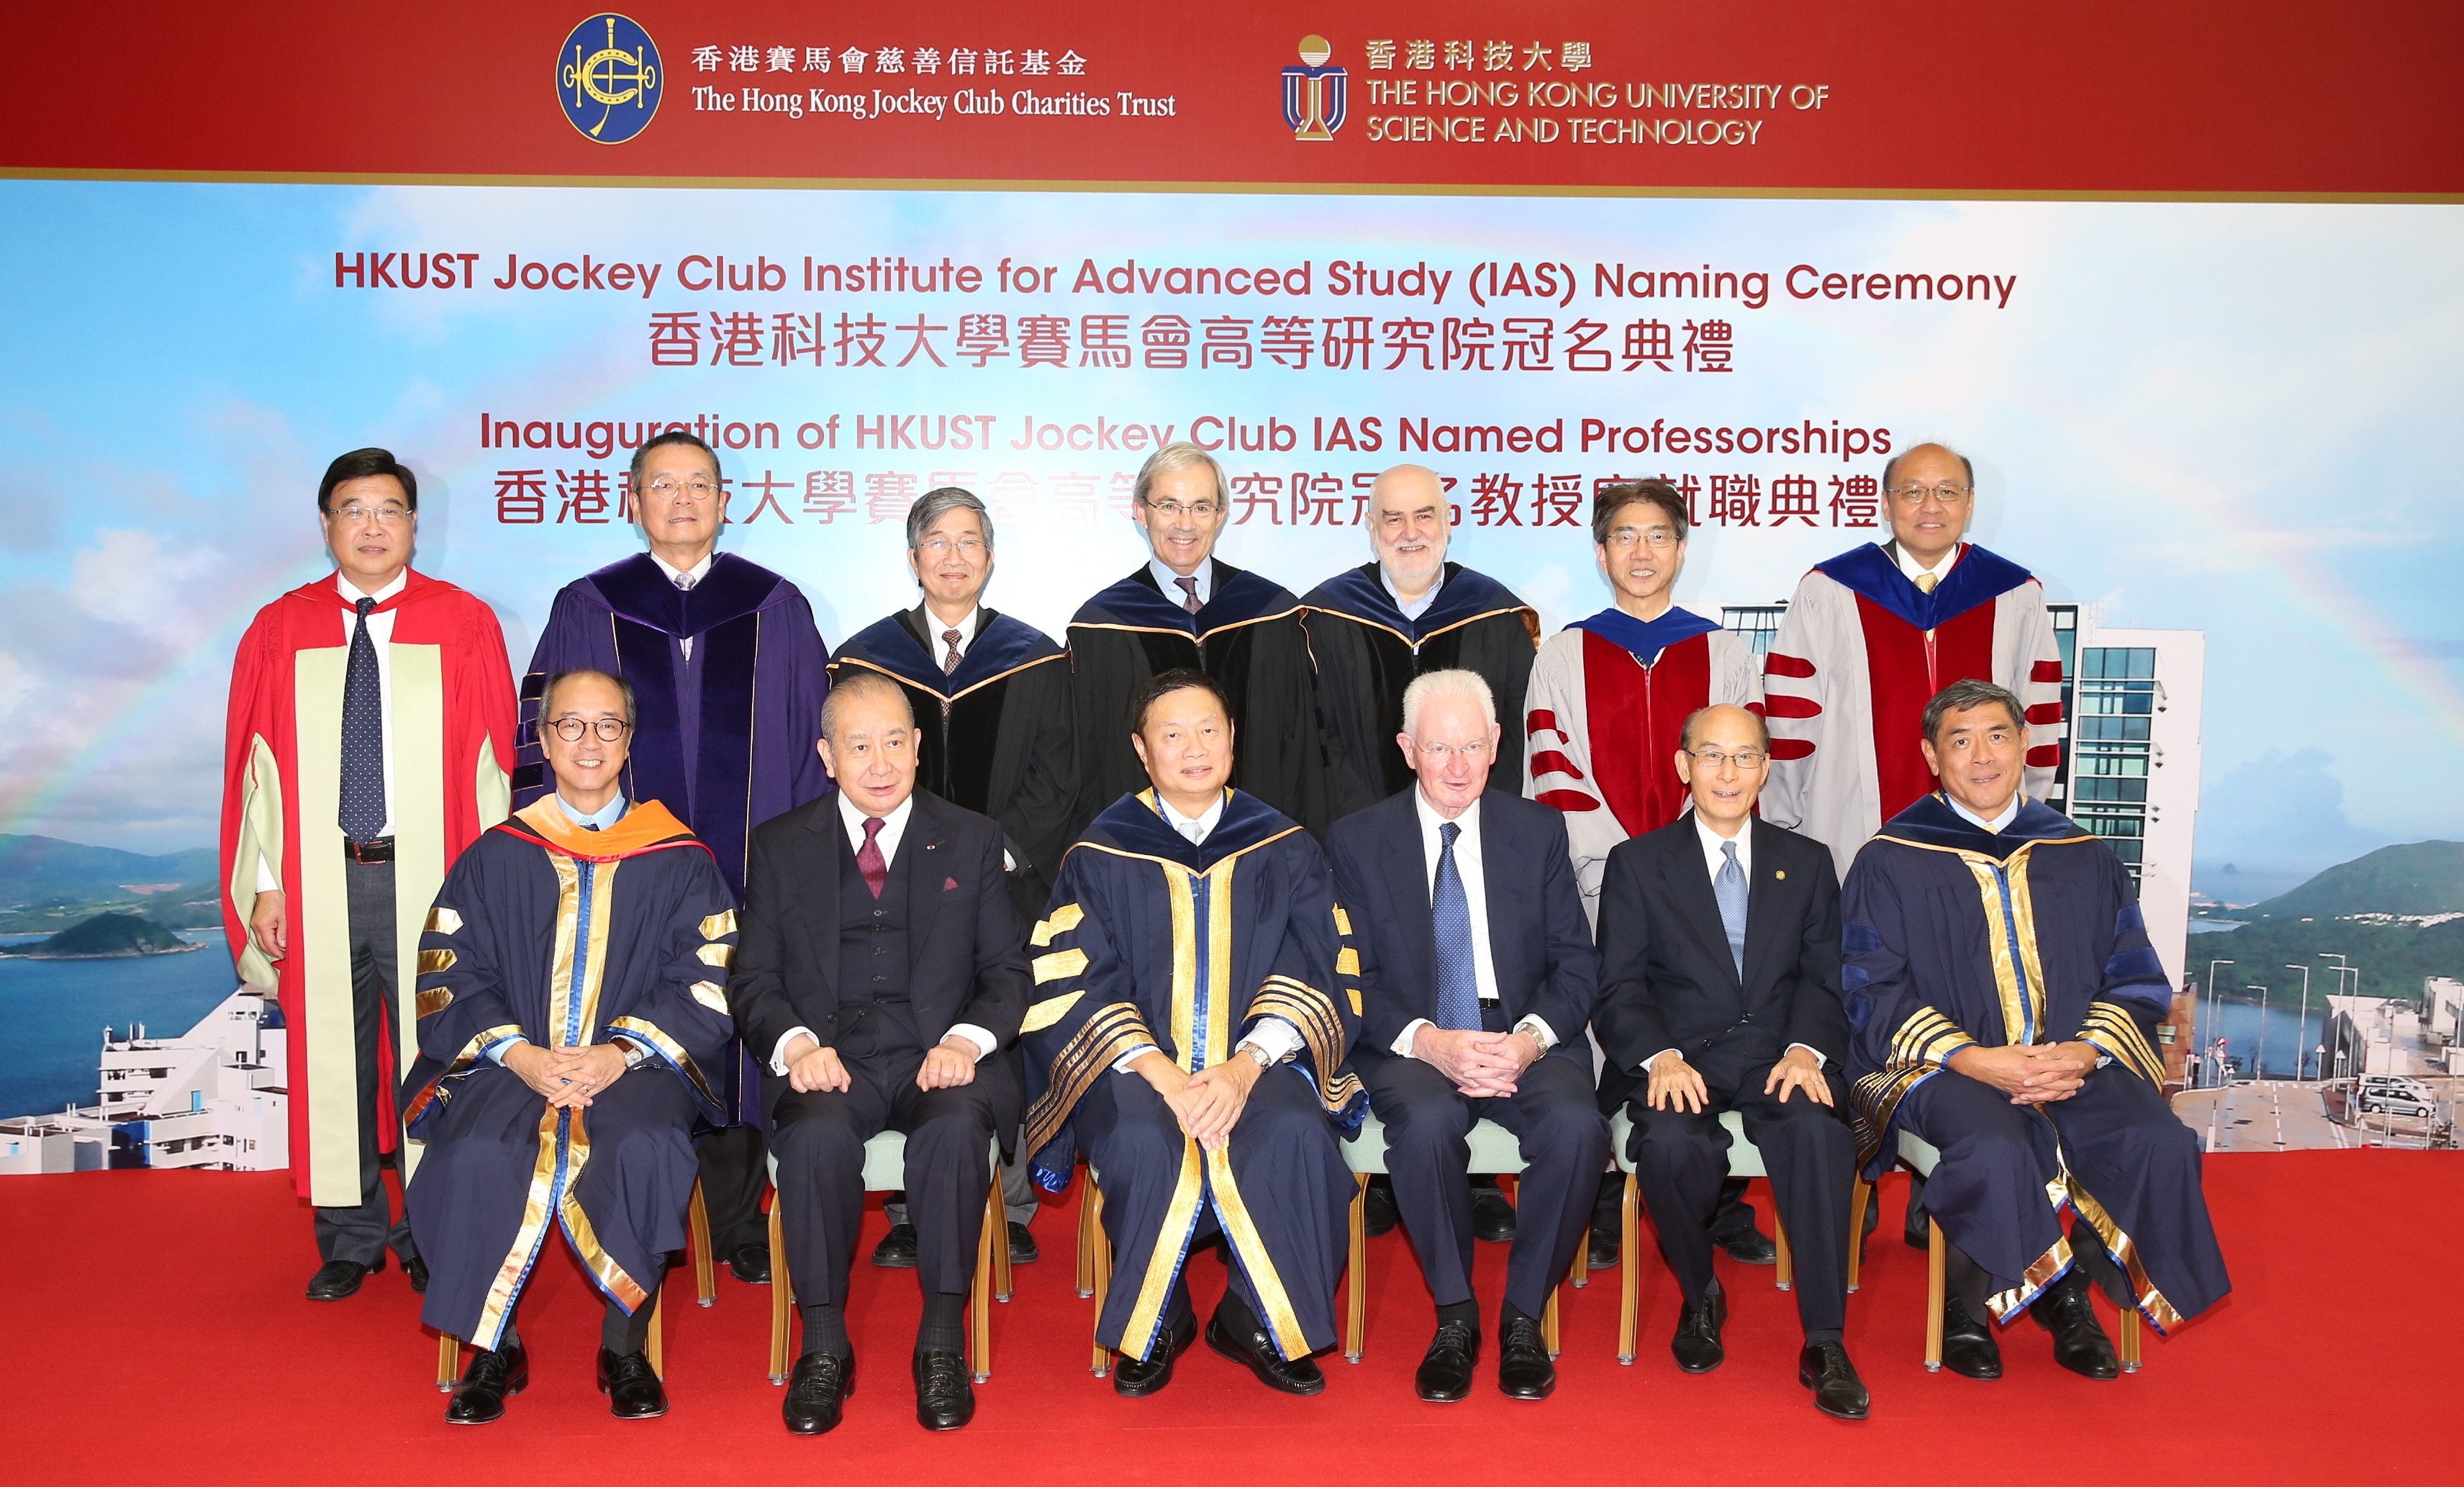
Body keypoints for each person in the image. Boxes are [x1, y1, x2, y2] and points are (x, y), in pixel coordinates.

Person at [1841, 679, 2229, 1383]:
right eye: (1959, 740)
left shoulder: (2082, 854)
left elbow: (2134, 975)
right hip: (1945, 1066)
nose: (1980, 754)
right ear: (1933, 755)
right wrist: (1977, 1060)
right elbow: (1870, 986)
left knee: (2155, 1139)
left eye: (1996, 735)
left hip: (2074, 1061)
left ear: (2025, 744)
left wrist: (2080, 1053)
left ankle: (2068, 1293)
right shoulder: (1890, 857)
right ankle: (1985, 1305)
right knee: (1994, 1140)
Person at [517, 430, 831, 1284]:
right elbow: (546, 741)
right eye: (664, 485)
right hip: (615, 876)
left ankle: (734, 1217)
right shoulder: (587, 606)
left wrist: (806, 865)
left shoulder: (776, 605)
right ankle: (630, 1207)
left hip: (752, 866)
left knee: (741, 1011)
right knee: (634, 1010)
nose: (683, 500)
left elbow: (815, 749)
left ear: (727, 502)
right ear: (632, 501)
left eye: (700, 485)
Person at [219, 447, 517, 1303]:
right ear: (326, 525)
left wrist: (485, 888)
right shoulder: (281, 626)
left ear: (415, 524)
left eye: (390, 508)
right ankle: (350, 1235)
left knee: (432, 1053)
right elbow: (258, 772)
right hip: (319, 876)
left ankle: (429, 1225)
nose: (373, 525)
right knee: (333, 1057)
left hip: (431, 876)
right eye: (354, 509)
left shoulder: (462, 622)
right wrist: (268, 881)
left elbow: (490, 767)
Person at [405, 669, 738, 1426]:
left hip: (634, 1063)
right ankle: (494, 1346)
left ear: (628, 740)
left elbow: (709, 973)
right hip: (512, 1061)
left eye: (607, 725)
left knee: (642, 1142)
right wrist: (520, 1054)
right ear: (545, 740)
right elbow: (451, 970)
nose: (589, 741)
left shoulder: (679, 855)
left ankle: (625, 1346)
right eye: (571, 725)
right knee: (477, 1151)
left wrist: (618, 1053)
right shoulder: (496, 853)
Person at [1023, 669, 1363, 1397]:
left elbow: (1323, 965)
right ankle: (1159, 1319)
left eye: (1209, 728)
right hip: (1138, 1070)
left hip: (1259, 1063)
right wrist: (1166, 1074)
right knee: (1144, 1139)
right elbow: (1070, 979)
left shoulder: (1284, 845)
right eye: (1172, 734)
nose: (1194, 747)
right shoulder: (1100, 852)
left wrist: (1243, 1067)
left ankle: (1254, 1316)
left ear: (1233, 738)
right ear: (1142, 751)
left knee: (1295, 1133)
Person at [728, 673, 1028, 1434]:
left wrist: (966, 1040)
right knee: (815, 1137)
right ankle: (824, 1344)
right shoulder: (778, 844)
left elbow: (1007, 973)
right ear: (827, 756)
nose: (880, 760)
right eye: (859, 745)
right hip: (834, 1059)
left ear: (919, 746)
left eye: (896, 740)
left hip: (942, 1057)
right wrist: (797, 1045)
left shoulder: (972, 836)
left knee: (956, 1133)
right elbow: (753, 976)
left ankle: (940, 1343)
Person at [1323, 669, 1606, 1404]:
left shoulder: (1536, 830)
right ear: (1407, 749)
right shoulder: (1356, 839)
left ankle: (1521, 1315)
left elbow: (1576, 961)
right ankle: (1455, 1314)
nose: (1456, 765)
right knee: (1424, 1123)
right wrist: (1430, 1040)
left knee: (1579, 1126)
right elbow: (1349, 978)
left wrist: (1527, 1040)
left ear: (1495, 746)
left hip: (1517, 1030)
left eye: (1472, 746)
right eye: (1439, 747)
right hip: (1413, 1038)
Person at [1592, 704, 1868, 1419]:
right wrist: (1657, 1056)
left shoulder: (1807, 862)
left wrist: (1807, 1048)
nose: (1727, 771)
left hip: (1780, 1052)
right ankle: (1698, 1291)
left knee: (1818, 1132)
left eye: (1744, 756)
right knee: (1671, 1143)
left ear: (1765, 768)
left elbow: (1824, 978)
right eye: (1710, 755)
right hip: (1680, 1055)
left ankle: (1825, 1338)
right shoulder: (1638, 862)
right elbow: (1619, 986)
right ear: (1682, 766)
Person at [1522, 478, 1771, 1271]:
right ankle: (1598, 1199)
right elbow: (1550, 766)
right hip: (1600, 878)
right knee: (1606, 1028)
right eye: (1624, 536)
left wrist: (1687, 864)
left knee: (1719, 1016)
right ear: (1601, 552)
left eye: (1657, 535)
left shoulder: (1724, 653)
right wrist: (1635, 866)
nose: (1641, 551)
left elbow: (1739, 774)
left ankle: (1719, 1198)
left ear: (1681, 547)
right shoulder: (1564, 652)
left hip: (1712, 883)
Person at [825, 487, 1071, 1270]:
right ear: (912, 557)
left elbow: (1057, 776)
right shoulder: (867, 658)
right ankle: (908, 1204)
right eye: (938, 541)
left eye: (970, 541)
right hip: (889, 886)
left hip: (1007, 880)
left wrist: (989, 855)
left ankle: (1013, 1200)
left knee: (1006, 1026)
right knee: (905, 1017)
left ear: (990, 558)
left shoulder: (1037, 656)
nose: (954, 556)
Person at [1760, 443, 2064, 883]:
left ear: (1970, 503)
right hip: (1850, 826)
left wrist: (2021, 808)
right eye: (1912, 492)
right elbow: (1792, 721)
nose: (1930, 506)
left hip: (1988, 827)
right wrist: (1784, 818)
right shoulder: (1828, 590)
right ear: (1885, 503)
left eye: (1947, 491)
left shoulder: (2016, 595)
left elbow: (2036, 718)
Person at [1066, 443, 1326, 836]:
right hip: (1144, 851)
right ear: (1141, 512)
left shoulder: (1273, 612)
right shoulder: (1100, 627)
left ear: (1220, 516)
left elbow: (1304, 747)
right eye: (1168, 506)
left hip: (1262, 842)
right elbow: (1091, 763)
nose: (1185, 524)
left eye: (1201, 507)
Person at [1303, 464, 1541, 822]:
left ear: (1448, 521)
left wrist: (1486, 818)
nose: (1410, 533)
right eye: (1394, 519)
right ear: (1372, 527)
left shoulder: (1497, 616)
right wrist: (1357, 821)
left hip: (1476, 828)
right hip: (1359, 830)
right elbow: (1316, 737)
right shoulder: (1323, 618)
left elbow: (1515, 736)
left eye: (1424, 516)